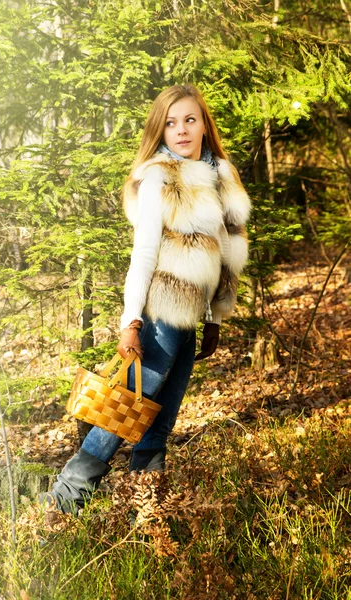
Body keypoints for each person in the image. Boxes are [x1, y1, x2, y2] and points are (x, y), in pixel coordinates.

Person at [39, 84, 251, 515]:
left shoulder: (219, 175)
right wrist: (130, 320)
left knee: (161, 416)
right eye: (171, 123)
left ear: (204, 125)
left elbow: (226, 254)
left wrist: (214, 318)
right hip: (159, 311)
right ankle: (64, 501)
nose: (181, 130)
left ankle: (147, 509)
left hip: (190, 317)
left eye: (190, 119)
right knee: (128, 407)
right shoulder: (161, 178)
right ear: (160, 130)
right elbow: (145, 253)